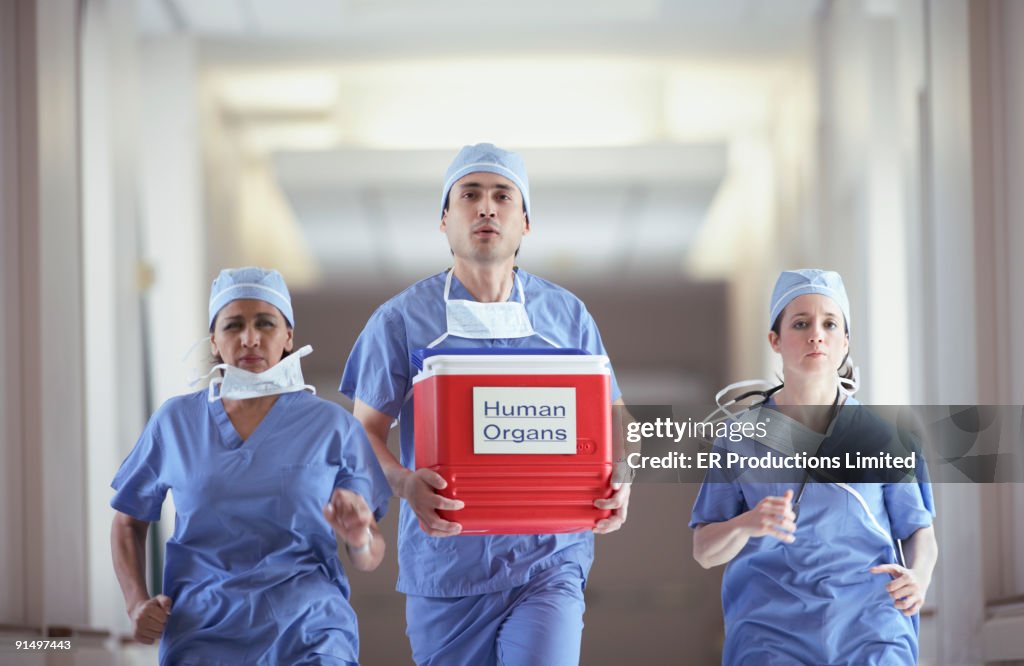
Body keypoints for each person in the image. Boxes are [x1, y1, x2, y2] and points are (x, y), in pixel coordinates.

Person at [340, 143, 630, 665]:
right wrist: (404, 483)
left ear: (525, 222)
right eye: (469, 195)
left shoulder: (567, 316)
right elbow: (362, 432)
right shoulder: (400, 320)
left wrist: (624, 473)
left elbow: (615, 412)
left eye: (502, 196)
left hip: (551, 558)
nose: (486, 207)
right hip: (447, 566)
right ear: (445, 220)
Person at [110, 267, 390, 666]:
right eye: (233, 325)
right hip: (203, 634)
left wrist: (360, 536)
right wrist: (137, 604)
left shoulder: (333, 427)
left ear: (288, 335)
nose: (250, 338)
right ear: (214, 339)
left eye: (265, 322)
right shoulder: (176, 423)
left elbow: (369, 554)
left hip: (309, 632)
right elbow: (127, 522)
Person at [690, 268, 938, 665]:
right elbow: (704, 550)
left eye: (830, 323)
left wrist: (919, 578)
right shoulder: (741, 437)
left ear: (845, 342)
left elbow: (918, 529)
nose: (816, 334)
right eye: (800, 323)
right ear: (775, 339)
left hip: (869, 625)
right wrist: (746, 523)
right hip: (771, 632)